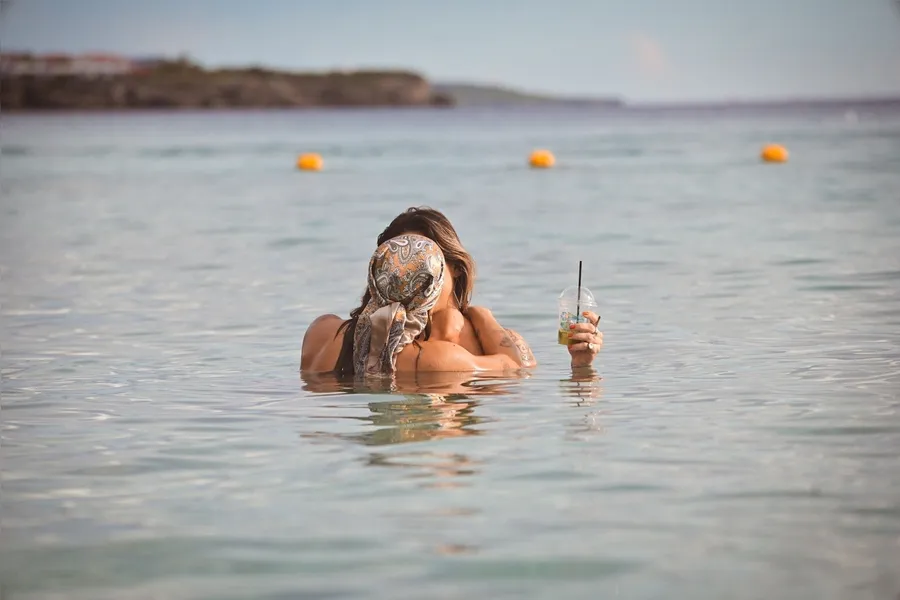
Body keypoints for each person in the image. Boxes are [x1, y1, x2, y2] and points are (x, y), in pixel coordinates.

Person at [300, 207, 602, 375]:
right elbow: (517, 369)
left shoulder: (323, 333)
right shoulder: (441, 357)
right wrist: (484, 318)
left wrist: (581, 362)